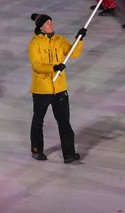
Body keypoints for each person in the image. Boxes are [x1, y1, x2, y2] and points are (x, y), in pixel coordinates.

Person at [28, 13, 85, 164]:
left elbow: (72, 54)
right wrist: (53, 67)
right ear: (40, 27)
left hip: (59, 88)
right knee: (38, 121)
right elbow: (36, 65)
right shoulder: (34, 44)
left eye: (51, 22)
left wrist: (78, 39)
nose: (50, 24)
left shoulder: (60, 40)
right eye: (47, 23)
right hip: (41, 89)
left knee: (64, 122)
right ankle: (37, 149)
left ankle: (69, 154)